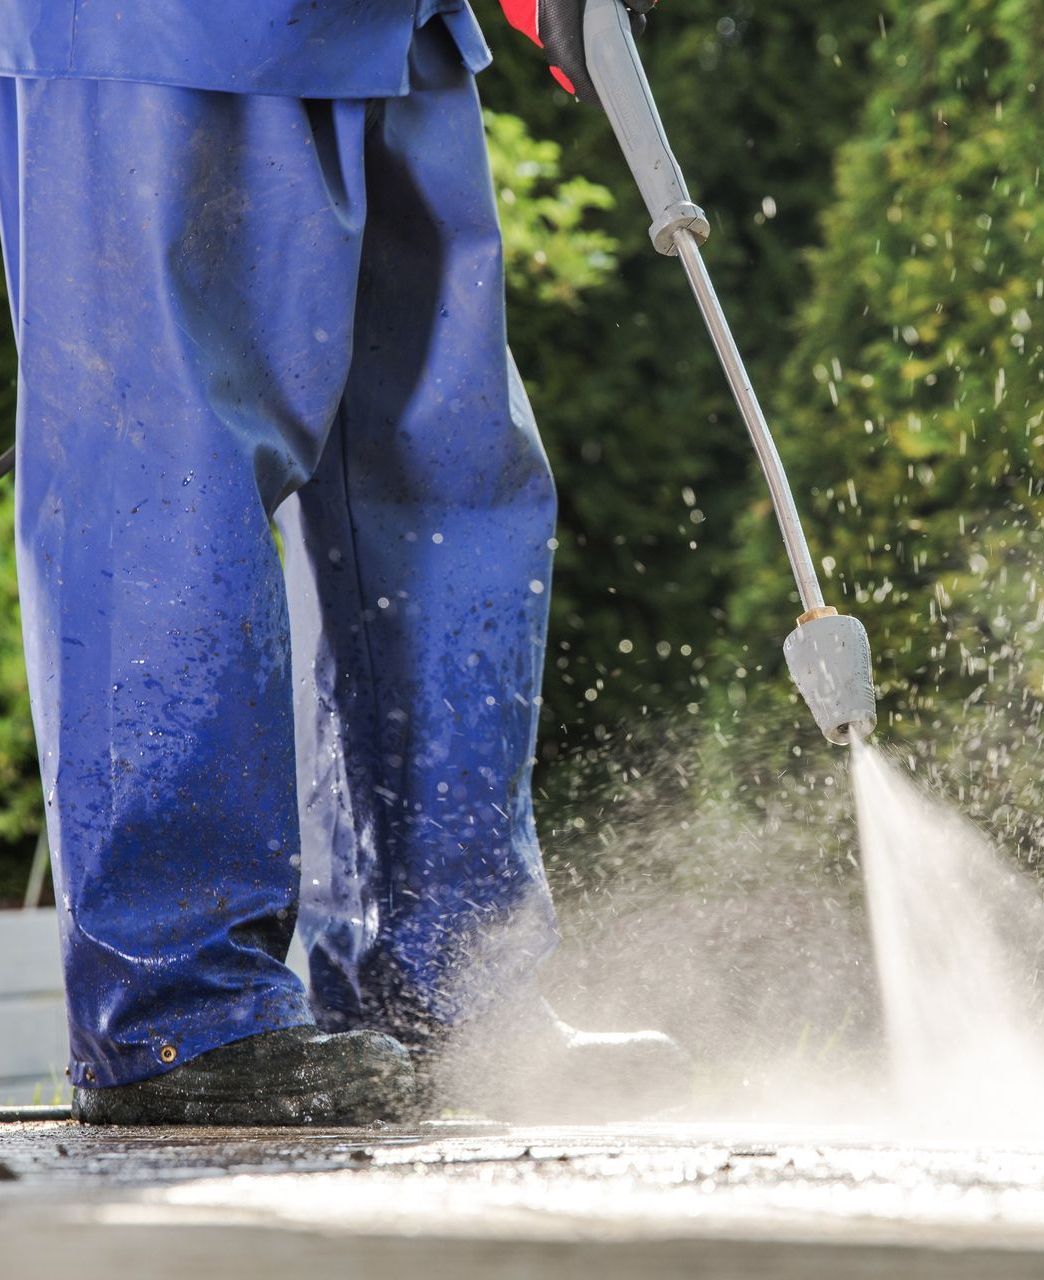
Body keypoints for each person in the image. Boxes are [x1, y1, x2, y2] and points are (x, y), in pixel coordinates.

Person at [0, 0, 684, 1125]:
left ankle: (448, 979)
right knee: (166, 464)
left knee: (444, 469)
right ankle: (183, 1003)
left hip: (397, 25)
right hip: (168, 30)